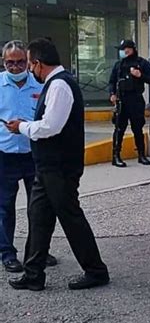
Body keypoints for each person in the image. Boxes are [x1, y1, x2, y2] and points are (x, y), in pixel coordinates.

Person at [6, 38, 109, 291]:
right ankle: (33, 274)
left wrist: (22, 127)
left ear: (39, 64)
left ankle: (96, 271)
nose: (29, 70)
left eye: (30, 64)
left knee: (71, 217)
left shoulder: (60, 86)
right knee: (38, 217)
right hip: (47, 166)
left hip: (60, 168)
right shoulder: (55, 84)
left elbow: (51, 126)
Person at [0, 40, 57, 273]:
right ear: (4, 62)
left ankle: (37, 251)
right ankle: (7, 253)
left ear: (29, 61)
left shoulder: (40, 83)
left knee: (39, 207)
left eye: (20, 62)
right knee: (4, 207)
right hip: (4, 155)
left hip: (33, 154)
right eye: (9, 63)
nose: (15, 67)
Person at [109, 39, 150, 167]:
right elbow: (112, 81)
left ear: (132, 49)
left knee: (137, 128)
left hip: (135, 99)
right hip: (121, 100)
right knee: (119, 128)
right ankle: (116, 156)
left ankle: (141, 155)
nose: (124, 51)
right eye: (122, 49)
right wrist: (112, 94)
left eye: (126, 49)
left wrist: (140, 75)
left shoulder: (141, 63)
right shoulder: (118, 65)